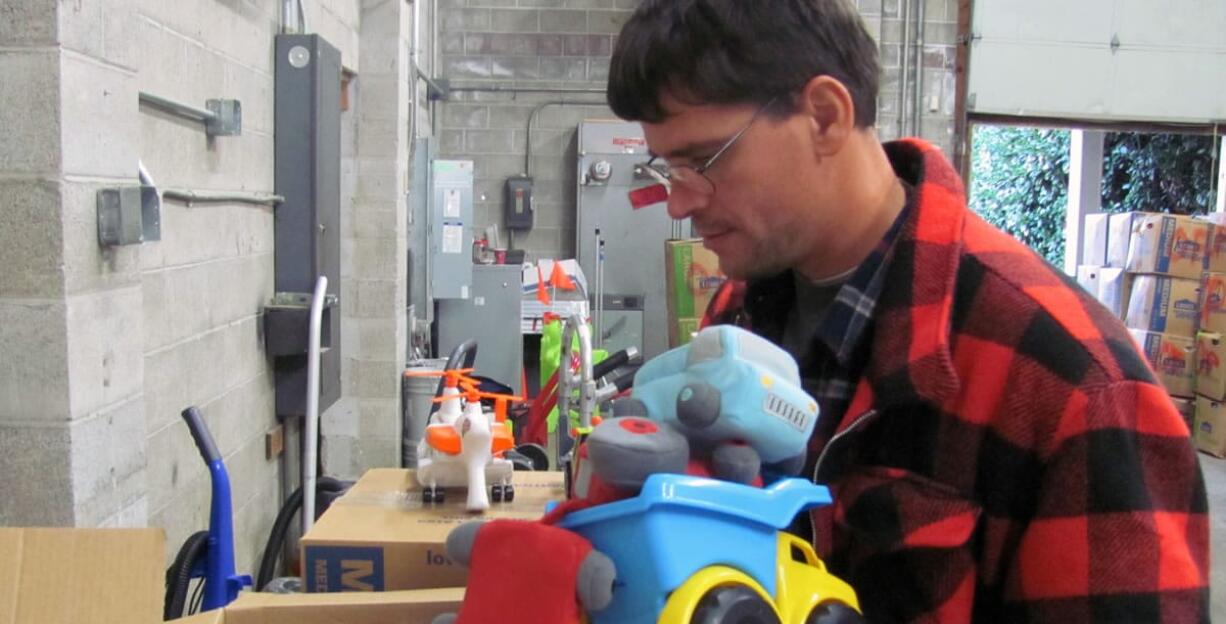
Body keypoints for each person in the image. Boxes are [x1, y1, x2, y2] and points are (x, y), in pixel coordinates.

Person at [607, 0, 1210, 621]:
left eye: (702, 161)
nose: (678, 203)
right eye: (666, 166)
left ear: (824, 117)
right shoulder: (739, 315)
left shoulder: (1071, 384)